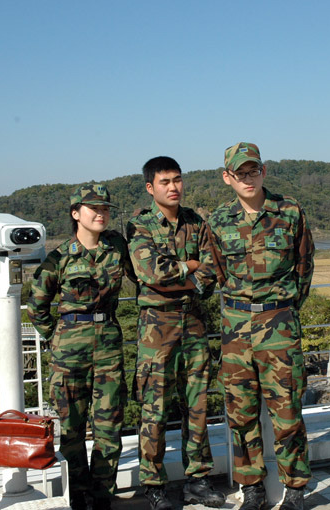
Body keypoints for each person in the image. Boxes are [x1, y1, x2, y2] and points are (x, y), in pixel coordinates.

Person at [205, 142, 314, 510]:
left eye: (253, 171)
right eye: (240, 173)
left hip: (279, 323)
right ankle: (251, 489)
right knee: (241, 412)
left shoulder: (290, 211)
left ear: (263, 171)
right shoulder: (218, 221)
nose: (248, 179)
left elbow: (304, 266)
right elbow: (217, 271)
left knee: (287, 411)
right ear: (227, 178)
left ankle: (296, 489)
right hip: (235, 327)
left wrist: (281, 309)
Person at [27, 183, 135, 510]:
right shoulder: (59, 258)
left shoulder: (117, 246)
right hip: (68, 354)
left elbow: (142, 276)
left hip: (109, 347)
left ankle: (102, 497)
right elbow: (37, 307)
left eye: (105, 209)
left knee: (109, 427)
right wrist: (58, 338)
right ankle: (77, 495)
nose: (101, 214)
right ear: (76, 214)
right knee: (72, 429)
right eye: (93, 209)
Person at [125, 156, 225, 510]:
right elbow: (150, 271)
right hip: (157, 327)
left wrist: (187, 276)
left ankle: (198, 479)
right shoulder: (139, 225)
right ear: (151, 187)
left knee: (197, 404)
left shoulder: (196, 222)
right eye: (165, 181)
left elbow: (212, 270)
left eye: (178, 180)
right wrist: (190, 268)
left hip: (194, 323)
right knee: (154, 408)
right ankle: (153, 484)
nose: (173, 187)